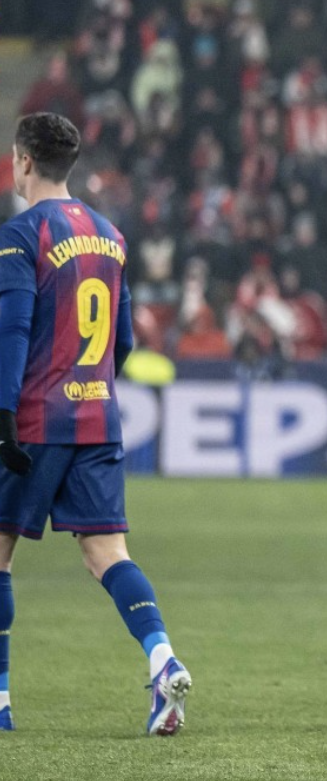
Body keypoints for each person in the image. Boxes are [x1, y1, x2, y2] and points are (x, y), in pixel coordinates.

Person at [0, 113, 191, 735]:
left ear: (24, 161)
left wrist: (5, 414)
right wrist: (92, 389)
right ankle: (163, 661)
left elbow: (14, 329)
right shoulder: (110, 234)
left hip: (35, 418)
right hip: (97, 417)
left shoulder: (21, 234)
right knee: (107, 553)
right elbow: (123, 340)